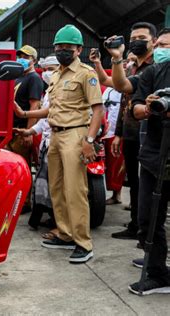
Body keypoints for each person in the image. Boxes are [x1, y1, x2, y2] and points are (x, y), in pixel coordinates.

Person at [20, 25, 104, 263]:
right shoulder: (55, 75)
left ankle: (83, 243)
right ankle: (65, 234)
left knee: (75, 190)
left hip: (75, 135)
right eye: (59, 47)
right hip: (54, 136)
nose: (63, 51)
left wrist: (89, 140)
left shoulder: (86, 74)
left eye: (68, 48)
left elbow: (97, 110)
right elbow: (53, 109)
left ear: (78, 49)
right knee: (56, 189)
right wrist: (26, 114)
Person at [94, 22, 156, 240]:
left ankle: (146, 229)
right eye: (133, 38)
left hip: (150, 134)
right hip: (130, 131)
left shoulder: (157, 67)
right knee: (136, 182)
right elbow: (121, 96)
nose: (136, 42)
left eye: (142, 38)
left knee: (148, 183)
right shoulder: (131, 68)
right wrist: (119, 133)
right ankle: (136, 225)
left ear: (153, 42)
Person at [128, 27, 170, 295]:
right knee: (147, 217)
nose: (163, 48)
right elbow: (136, 107)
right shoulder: (152, 72)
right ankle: (157, 272)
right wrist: (147, 108)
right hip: (155, 153)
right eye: (161, 44)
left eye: (168, 44)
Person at [14, 54, 59, 231]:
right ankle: (53, 219)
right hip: (47, 143)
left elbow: (41, 111)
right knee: (45, 183)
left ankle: (60, 226)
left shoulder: (63, 88)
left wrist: (25, 118)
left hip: (61, 140)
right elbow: (44, 118)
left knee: (57, 185)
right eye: (46, 69)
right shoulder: (49, 90)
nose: (48, 73)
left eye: (53, 69)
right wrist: (30, 130)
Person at [6, 45, 43, 213]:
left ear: (34, 60)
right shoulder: (18, 77)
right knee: (12, 169)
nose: (21, 58)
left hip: (22, 130)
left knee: (23, 169)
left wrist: (29, 132)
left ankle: (26, 202)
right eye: (19, 55)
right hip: (12, 130)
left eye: (26, 56)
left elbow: (34, 105)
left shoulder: (34, 78)